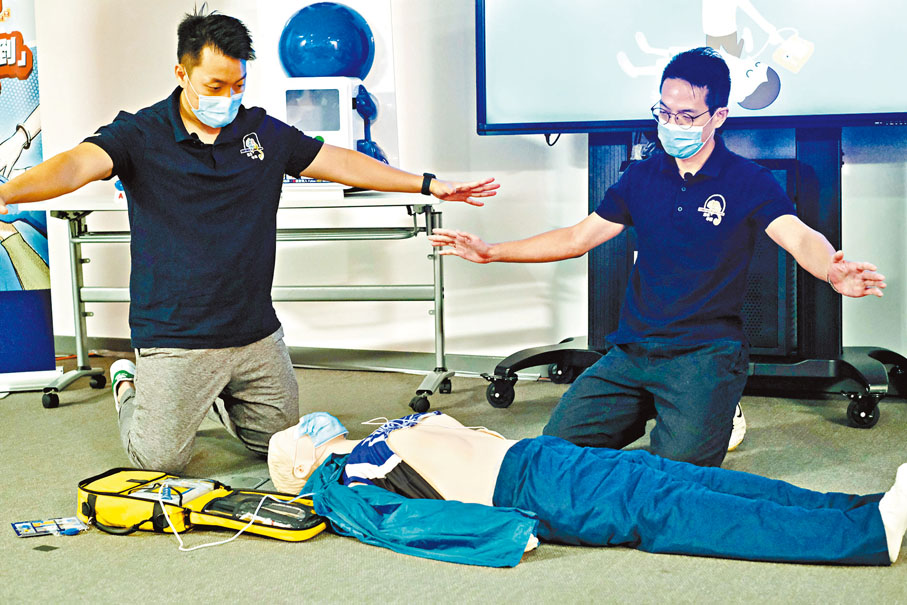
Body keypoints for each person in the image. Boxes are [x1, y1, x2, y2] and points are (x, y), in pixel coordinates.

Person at [0, 11, 498, 473]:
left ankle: (218, 394)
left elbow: (340, 161)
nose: (228, 97)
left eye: (238, 85)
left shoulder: (260, 132)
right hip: (176, 335)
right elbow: (75, 164)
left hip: (254, 332)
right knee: (158, 461)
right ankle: (130, 385)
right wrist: (7, 191)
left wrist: (427, 184)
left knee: (280, 448)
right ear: (182, 74)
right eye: (215, 86)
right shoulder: (140, 133)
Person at [428, 47, 886, 467]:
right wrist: (492, 252)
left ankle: (716, 405)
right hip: (633, 351)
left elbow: (799, 236)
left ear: (719, 116)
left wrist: (831, 270)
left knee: (674, 475)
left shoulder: (749, 180)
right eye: (664, 112)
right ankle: (672, 408)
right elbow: (577, 237)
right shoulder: (640, 178)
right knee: (554, 454)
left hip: (704, 355)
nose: (672, 124)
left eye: (686, 116)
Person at [268, 411, 907, 568]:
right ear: (301, 464)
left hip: (539, 457)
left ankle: (863, 508)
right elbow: (397, 525)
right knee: (680, 510)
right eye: (301, 433)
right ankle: (867, 537)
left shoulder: (373, 436)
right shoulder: (342, 482)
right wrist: (501, 534)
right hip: (531, 491)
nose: (312, 423)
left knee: (697, 479)